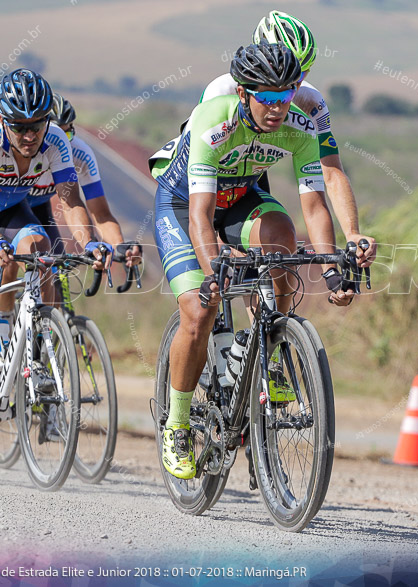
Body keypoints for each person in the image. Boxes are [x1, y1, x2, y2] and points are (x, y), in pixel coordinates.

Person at [154, 41, 357, 479]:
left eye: (284, 95)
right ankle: (177, 423)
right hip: (184, 206)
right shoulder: (214, 120)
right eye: (266, 97)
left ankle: (269, 341)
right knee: (200, 309)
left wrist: (331, 268)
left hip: (242, 198)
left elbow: (315, 206)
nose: (276, 107)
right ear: (243, 92)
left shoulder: (298, 128)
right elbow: (200, 217)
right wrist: (212, 273)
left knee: (283, 236)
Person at [0, 68, 110, 436]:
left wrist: (89, 241)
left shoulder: (56, 141)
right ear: (3, 121)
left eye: (37, 125)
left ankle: (37, 341)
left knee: (41, 249)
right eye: (19, 127)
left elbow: (71, 200)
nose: (29, 136)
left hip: (12, 209)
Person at [151, 10, 376, 267]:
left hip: (246, 180)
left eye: (302, 72)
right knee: (211, 291)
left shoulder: (312, 104)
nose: (291, 82)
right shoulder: (221, 91)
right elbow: (204, 163)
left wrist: (351, 233)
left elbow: (331, 172)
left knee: (271, 258)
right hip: (204, 183)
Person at [27, 93, 141, 268]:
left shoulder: (80, 154)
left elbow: (101, 214)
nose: (64, 143)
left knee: (56, 275)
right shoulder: (24, 149)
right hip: (7, 209)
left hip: (40, 208)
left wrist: (119, 246)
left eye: (68, 133)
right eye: (57, 134)